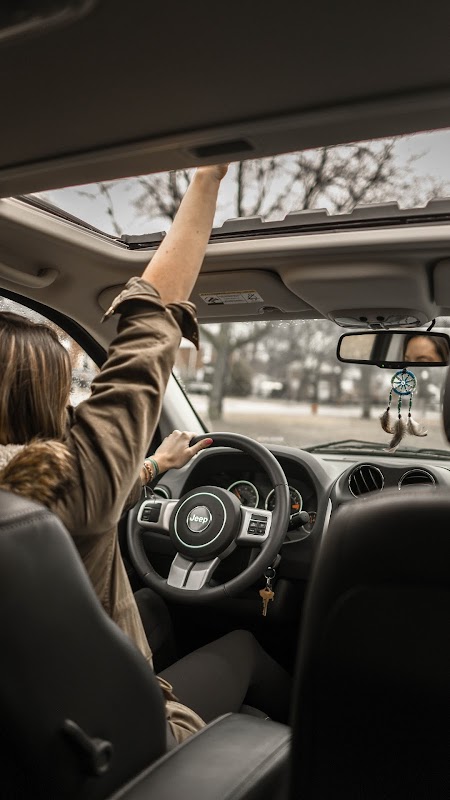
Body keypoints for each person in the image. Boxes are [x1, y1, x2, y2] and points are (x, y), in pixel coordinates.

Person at [0, 164, 291, 744]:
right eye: (66, 391)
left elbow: (105, 491)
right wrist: (208, 176)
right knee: (245, 647)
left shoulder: (41, 498)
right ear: (47, 403)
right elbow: (152, 320)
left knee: (155, 609)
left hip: (37, 742)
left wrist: (156, 466)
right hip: (132, 743)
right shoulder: (69, 488)